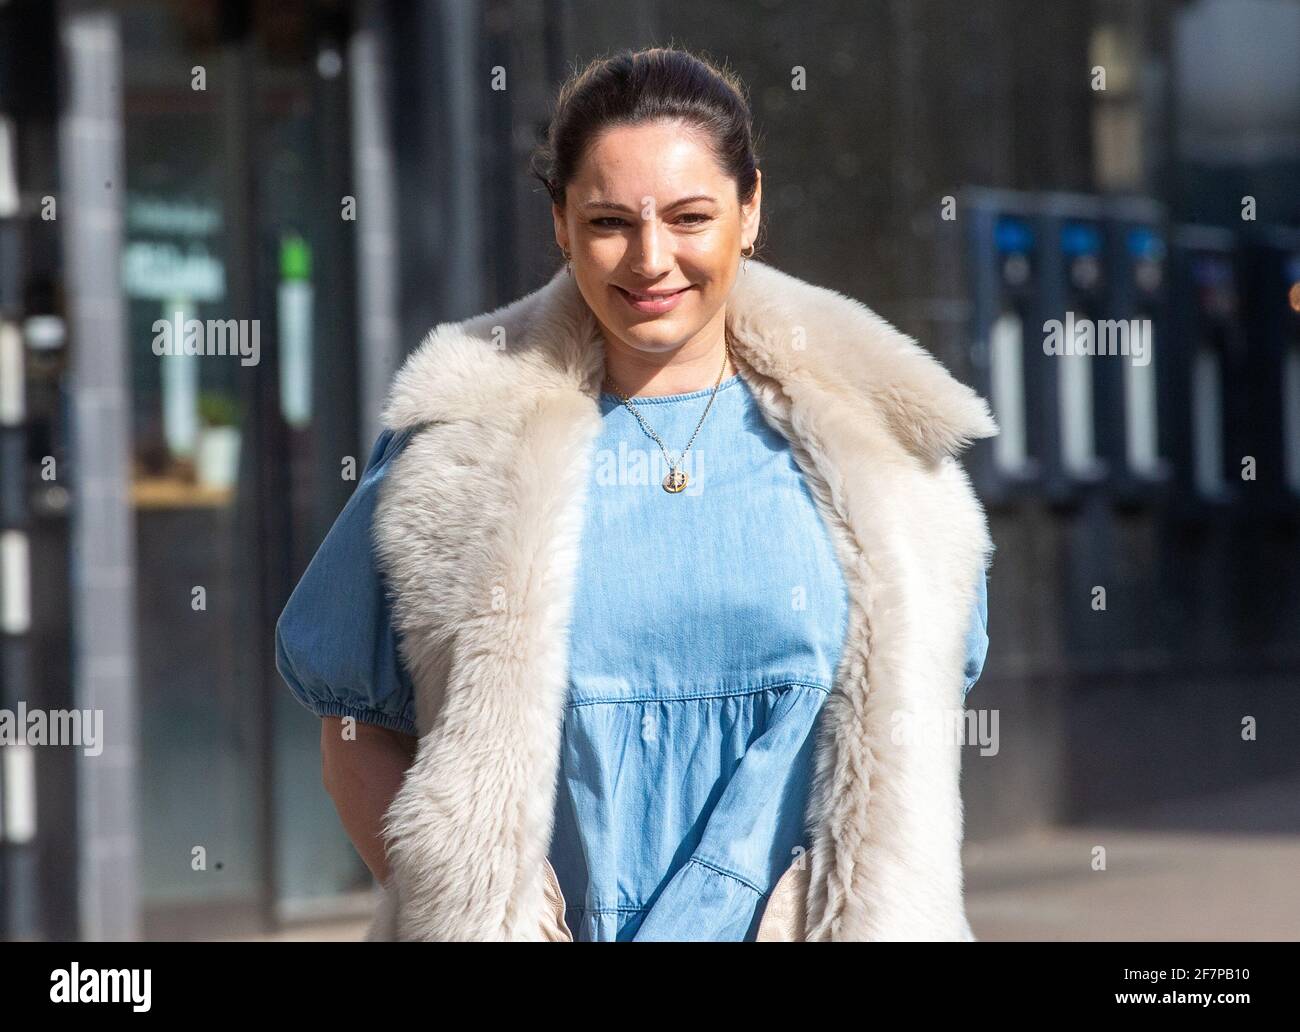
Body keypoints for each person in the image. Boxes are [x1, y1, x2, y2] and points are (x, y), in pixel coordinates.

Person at [276, 45, 995, 942]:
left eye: (691, 217)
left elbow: (918, 729)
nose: (651, 260)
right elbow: (353, 726)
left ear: (750, 209)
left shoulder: (883, 458)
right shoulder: (463, 445)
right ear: (560, 223)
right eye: (611, 221)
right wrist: (470, 903)